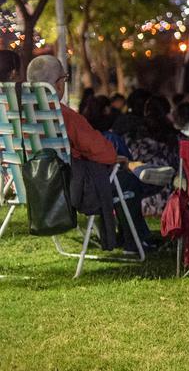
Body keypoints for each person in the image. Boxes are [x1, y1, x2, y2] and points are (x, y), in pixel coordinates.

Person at [25, 56, 155, 250]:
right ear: (58, 85)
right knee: (125, 179)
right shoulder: (65, 116)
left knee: (113, 153)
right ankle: (135, 241)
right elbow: (105, 153)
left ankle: (134, 237)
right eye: (65, 78)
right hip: (69, 188)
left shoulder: (20, 114)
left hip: (32, 184)